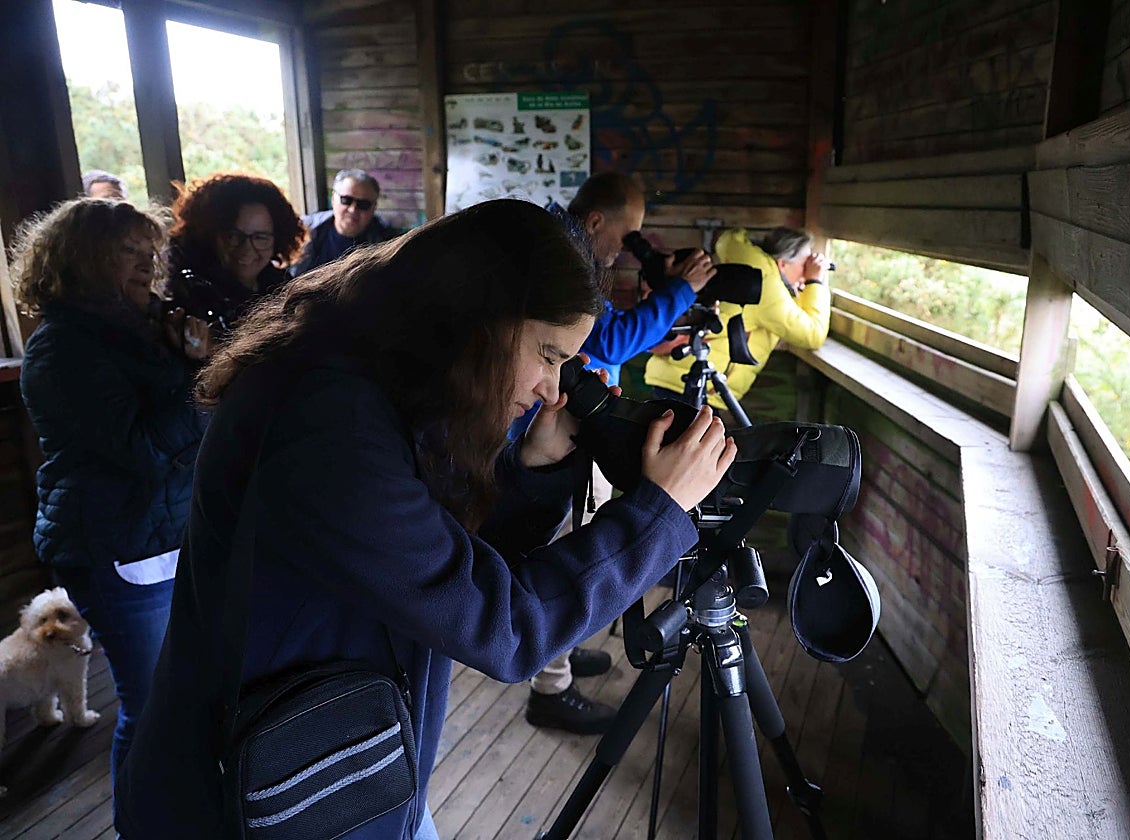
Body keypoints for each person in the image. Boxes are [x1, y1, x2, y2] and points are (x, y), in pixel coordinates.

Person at [113, 199, 735, 839]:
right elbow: (506, 628)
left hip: (335, 763)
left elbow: (440, 567)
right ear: (479, 319)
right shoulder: (330, 425)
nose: (553, 389)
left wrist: (537, 466)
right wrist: (656, 514)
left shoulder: (373, 383)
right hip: (251, 798)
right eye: (549, 355)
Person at [11, 198, 211, 796]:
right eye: (127, 250)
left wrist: (186, 356)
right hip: (115, 545)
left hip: (157, 539)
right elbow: (146, 449)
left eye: (151, 248)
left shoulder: (138, 333)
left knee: (175, 697)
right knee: (149, 706)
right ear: (81, 260)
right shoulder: (63, 348)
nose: (148, 261)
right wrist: (199, 378)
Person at [518, 172, 717, 735]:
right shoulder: (565, 254)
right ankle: (550, 686)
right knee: (563, 538)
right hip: (557, 425)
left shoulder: (566, 246)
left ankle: (558, 648)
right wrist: (681, 293)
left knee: (574, 530)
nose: (628, 247)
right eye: (628, 234)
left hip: (577, 422)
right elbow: (603, 343)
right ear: (598, 220)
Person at [643, 226, 832, 411]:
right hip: (694, 385)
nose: (806, 272)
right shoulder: (768, 286)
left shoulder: (753, 268)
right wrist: (814, 281)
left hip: (676, 375)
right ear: (783, 263)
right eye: (805, 265)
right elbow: (812, 334)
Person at [166, 173, 306, 331]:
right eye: (233, 236)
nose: (246, 248)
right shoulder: (196, 293)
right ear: (210, 235)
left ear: (277, 239)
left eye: (260, 237)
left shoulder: (281, 284)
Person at [291, 168, 401, 276]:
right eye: (346, 200)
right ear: (334, 199)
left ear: (373, 208)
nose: (353, 209)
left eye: (363, 204)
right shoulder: (303, 231)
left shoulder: (388, 245)